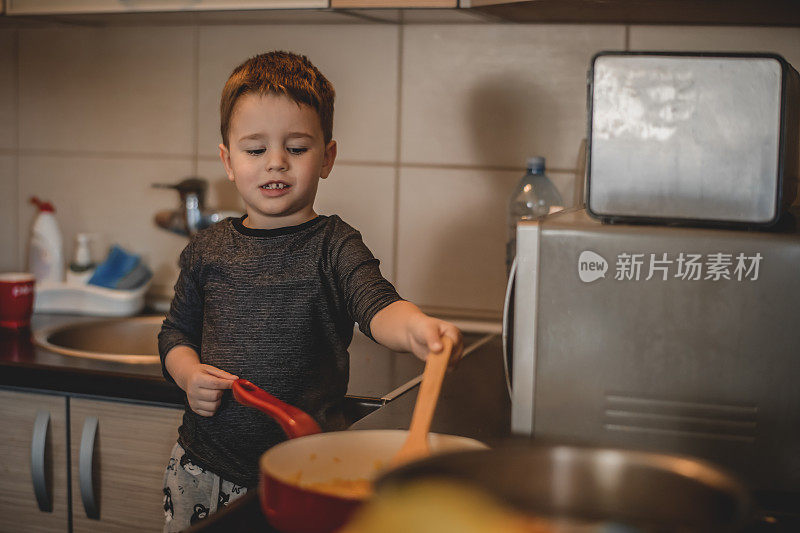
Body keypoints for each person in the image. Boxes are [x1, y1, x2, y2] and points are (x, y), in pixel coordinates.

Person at [158, 50, 463, 532]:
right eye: (256, 150)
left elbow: (379, 305)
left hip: (309, 469)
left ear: (327, 157)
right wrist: (188, 373)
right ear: (228, 161)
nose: (276, 163)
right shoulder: (207, 249)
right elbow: (175, 334)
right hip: (204, 469)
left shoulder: (334, 244)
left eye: (296, 149)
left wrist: (417, 330)